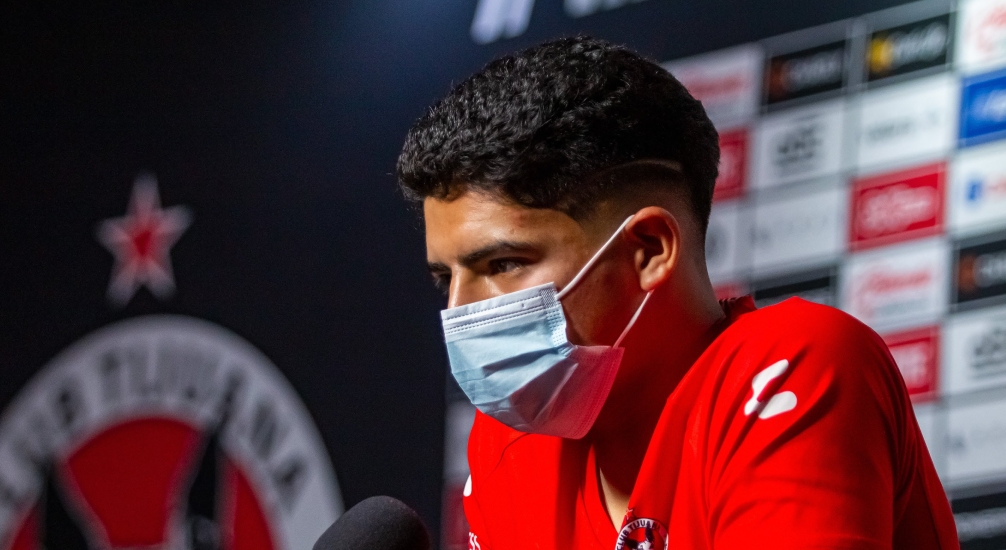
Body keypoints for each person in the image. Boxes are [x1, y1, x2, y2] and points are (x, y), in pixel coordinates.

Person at [396, 36, 958, 550]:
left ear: (649, 249)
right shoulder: (508, 444)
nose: (460, 311)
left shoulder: (795, 365)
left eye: (503, 263)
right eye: (445, 278)